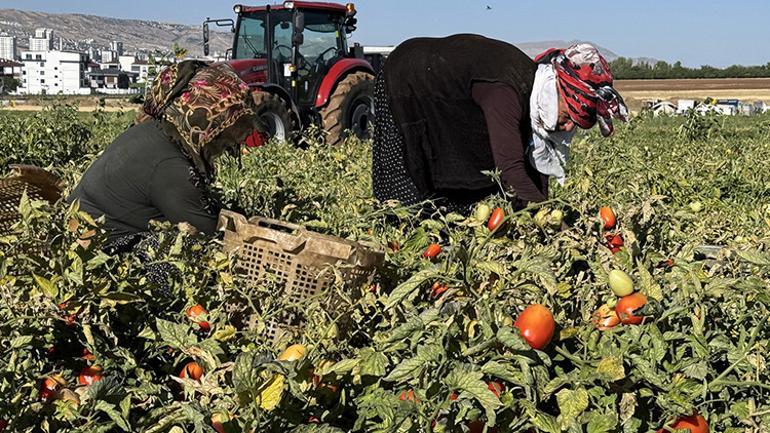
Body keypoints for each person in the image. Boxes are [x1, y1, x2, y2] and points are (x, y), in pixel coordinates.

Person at [372, 34, 628, 213]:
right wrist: (545, 214)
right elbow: (510, 166)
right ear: (560, 94)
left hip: (442, 86)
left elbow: (532, 155)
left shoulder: (536, 88)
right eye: (570, 117)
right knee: (407, 184)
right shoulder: (507, 92)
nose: (569, 128)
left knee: (462, 190)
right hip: (408, 78)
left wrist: (541, 202)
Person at [68, 60, 265, 252]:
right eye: (227, 133)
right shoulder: (171, 166)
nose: (233, 142)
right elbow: (208, 235)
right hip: (97, 250)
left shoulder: (154, 132)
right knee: (182, 253)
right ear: (208, 128)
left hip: (79, 233)